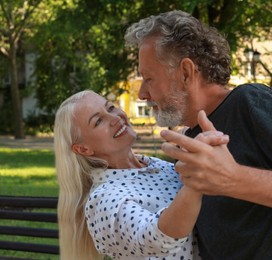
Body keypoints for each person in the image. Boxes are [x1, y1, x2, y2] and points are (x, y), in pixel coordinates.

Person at [124, 10, 272, 259]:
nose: (142, 93)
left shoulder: (252, 103)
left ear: (185, 72)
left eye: (148, 78)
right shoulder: (192, 138)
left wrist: (233, 178)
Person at [54, 90, 228, 259]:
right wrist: (194, 179)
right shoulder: (103, 199)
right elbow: (158, 238)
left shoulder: (155, 166)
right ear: (83, 149)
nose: (115, 118)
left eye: (111, 108)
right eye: (98, 121)